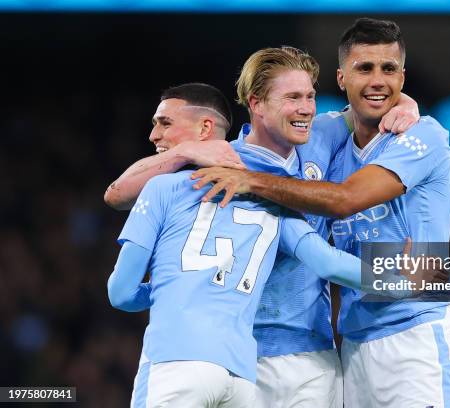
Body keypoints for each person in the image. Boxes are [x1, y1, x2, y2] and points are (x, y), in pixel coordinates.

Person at [104, 48, 421, 406]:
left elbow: (368, 102)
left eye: (310, 97)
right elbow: (117, 194)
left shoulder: (318, 136)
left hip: (308, 351)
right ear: (256, 104)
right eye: (293, 98)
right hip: (247, 357)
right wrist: (401, 280)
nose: (305, 108)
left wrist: (405, 103)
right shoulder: (228, 167)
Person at [192, 18, 450, 407]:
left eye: (389, 70)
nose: (378, 80)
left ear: (402, 77)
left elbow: (345, 200)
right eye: (364, 68)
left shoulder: (424, 136)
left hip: (415, 331)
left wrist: (251, 182)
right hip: (353, 343)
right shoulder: (328, 143)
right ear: (341, 78)